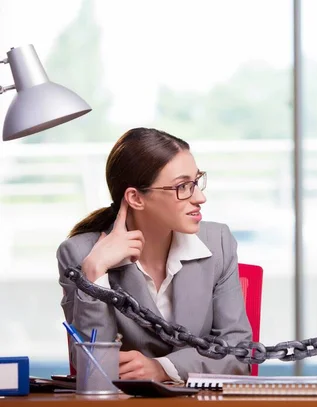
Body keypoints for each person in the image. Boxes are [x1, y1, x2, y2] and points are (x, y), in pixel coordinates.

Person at [58, 127, 252, 382]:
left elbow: (240, 353)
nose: (200, 197)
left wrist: (163, 368)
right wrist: (94, 273)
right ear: (136, 198)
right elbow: (93, 369)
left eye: (197, 181)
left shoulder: (218, 243)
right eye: (182, 186)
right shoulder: (80, 254)